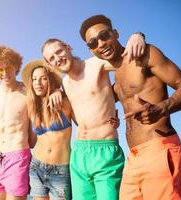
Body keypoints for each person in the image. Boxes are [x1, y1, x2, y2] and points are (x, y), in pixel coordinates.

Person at [79, 14, 181, 200]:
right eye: (93, 43)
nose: (100, 44)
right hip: (133, 159)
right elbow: (98, 99)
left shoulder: (145, 54)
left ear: (115, 33)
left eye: (104, 35)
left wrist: (161, 108)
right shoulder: (116, 75)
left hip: (160, 150)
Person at [42, 33, 145, 200]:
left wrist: (137, 36)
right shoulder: (65, 83)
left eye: (59, 52)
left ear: (68, 47)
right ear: (50, 64)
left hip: (105, 150)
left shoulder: (96, 64)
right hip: (79, 153)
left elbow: (129, 60)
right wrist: (55, 91)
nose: (58, 59)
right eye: (52, 58)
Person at [0, 46, 61, 200]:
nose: (5, 73)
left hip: (18, 156)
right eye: (0, 70)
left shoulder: (28, 92)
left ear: (16, 67)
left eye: (8, 68)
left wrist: (56, 90)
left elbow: (47, 89)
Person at [21, 59, 73, 200]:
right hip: (37, 166)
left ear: (50, 81)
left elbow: (84, 122)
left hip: (61, 168)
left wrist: (58, 90)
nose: (38, 83)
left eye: (43, 79)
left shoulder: (65, 103)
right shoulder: (32, 107)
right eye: (34, 79)